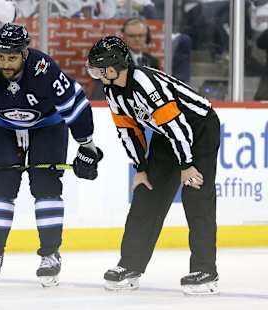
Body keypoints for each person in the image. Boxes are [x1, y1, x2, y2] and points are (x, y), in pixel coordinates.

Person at [0, 23, 102, 287]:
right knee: (0, 187)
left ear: (24, 54)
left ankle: (50, 255)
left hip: (48, 126)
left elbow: (75, 104)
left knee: (45, 185)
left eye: (12, 57)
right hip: (4, 127)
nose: (5, 63)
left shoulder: (44, 70)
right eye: (1, 56)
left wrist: (87, 146)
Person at [86, 36, 220, 295]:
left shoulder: (146, 85)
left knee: (196, 197)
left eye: (99, 68)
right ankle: (130, 266)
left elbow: (178, 126)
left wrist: (187, 165)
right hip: (167, 135)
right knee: (146, 196)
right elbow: (128, 131)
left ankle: (206, 271)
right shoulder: (113, 90)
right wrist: (140, 169)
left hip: (199, 128)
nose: (95, 73)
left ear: (114, 67)